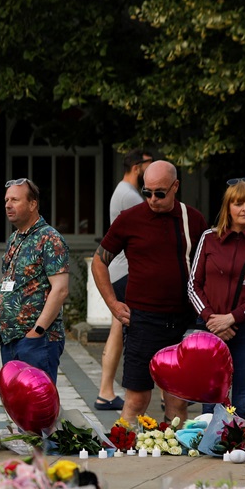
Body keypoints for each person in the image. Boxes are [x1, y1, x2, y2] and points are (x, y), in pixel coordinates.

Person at [92, 160, 209, 424]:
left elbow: (207, 266)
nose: (152, 199)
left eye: (160, 193)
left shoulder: (193, 219)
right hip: (143, 320)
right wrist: (112, 303)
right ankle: (125, 450)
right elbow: (99, 261)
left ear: (175, 186)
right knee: (136, 399)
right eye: (147, 192)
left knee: (177, 400)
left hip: (184, 320)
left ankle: (178, 455)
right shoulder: (130, 219)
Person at [188, 179, 245, 415]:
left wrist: (231, 318)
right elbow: (193, 286)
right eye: (238, 204)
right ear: (228, 208)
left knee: (244, 398)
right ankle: (211, 446)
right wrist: (212, 319)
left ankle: (238, 447)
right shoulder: (208, 238)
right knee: (211, 397)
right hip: (211, 329)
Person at [0, 178, 69, 382]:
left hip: (37, 342)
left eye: (15, 200)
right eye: (6, 200)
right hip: (10, 341)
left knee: (37, 408)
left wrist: (36, 331)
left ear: (32, 204)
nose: (8, 205)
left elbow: (61, 290)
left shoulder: (50, 238)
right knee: (18, 406)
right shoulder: (15, 238)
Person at [96, 148, 153, 410]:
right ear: (137, 167)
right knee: (128, 331)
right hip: (126, 272)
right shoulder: (130, 196)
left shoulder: (122, 191)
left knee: (116, 331)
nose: (151, 172)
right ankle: (107, 390)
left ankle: (105, 391)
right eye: (149, 166)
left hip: (119, 270)